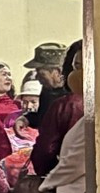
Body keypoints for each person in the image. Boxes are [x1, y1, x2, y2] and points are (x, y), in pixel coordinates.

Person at [27, 41, 82, 176]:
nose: (38, 78)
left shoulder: (65, 105)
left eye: (41, 72)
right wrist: (27, 118)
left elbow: (45, 150)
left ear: (57, 72)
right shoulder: (47, 93)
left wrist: (50, 175)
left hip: (64, 180)